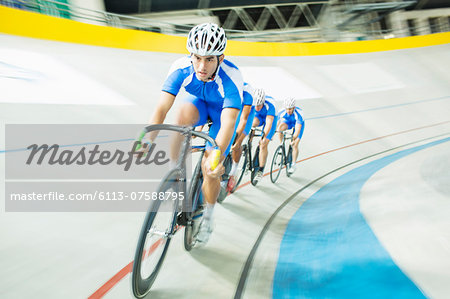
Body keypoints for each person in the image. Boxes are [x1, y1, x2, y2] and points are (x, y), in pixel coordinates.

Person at [147, 23, 244, 245]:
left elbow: (229, 123)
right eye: (197, 57)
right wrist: (145, 140)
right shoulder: (180, 68)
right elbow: (161, 108)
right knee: (181, 113)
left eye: (209, 59)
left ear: (220, 58)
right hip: (198, 104)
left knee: (210, 169)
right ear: (190, 54)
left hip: (222, 115)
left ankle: (208, 215)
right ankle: (174, 171)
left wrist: (216, 158)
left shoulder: (232, 77)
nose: (202, 66)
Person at [227, 84, 264, 191]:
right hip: (235, 108)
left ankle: (233, 172)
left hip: (246, 114)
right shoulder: (232, 88)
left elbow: (243, 120)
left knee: (236, 144)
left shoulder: (248, 97)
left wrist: (237, 137)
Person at [249, 91, 277, 184]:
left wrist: (264, 136)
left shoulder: (270, 105)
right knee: (252, 124)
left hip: (270, 118)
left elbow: (269, 123)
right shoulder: (252, 103)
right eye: (256, 105)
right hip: (258, 117)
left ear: (263, 102)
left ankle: (260, 170)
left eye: (259, 105)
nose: (257, 107)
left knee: (263, 144)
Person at [276, 97, 305, 174]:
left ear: (294, 108)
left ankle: (293, 164)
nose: (288, 111)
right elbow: (277, 123)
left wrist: (293, 139)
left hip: (298, 125)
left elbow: (297, 130)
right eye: (287, 109)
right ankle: (281, 145)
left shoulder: (299, 114)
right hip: (288, 122)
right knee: (280, 128)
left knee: (295, 145)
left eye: (290, 109)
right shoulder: (281, 111)